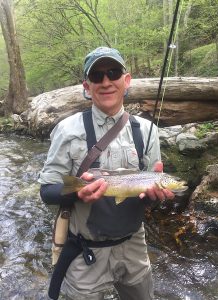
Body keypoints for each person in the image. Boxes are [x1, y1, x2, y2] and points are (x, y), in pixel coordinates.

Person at [38, 46, 174, 300]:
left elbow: (148, 196)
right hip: (85, 253)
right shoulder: (67, 130)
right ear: (87, 87)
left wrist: (156, 195)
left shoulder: (147, 130)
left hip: (134, 245)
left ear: (127, 80)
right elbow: (47, 191)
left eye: (113, 72)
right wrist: (79, 194)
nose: (106, 82)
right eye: (97, 76)